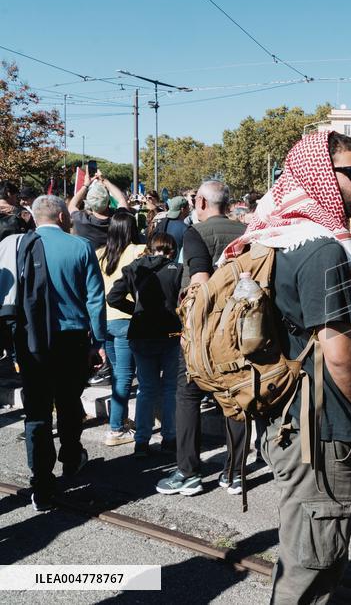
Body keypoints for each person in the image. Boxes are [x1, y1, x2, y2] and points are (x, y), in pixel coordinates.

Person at [226, 132, 351, 603]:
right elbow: (336, 346)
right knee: (312, 557)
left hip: (288, 419)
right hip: (319, 424)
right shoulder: (321, 249)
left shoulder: (274, 238)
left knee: (310, 544)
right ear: (322, 177)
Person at [157, 179, 249, 496]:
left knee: (188, 396)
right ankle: (235, 473)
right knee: (235, 398)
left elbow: (199, 282)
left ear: (200, 204)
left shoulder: (197, 233)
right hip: (241, 331)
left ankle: (189, 472)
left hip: (204, 333)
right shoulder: (246, 233)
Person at [19, 195, 107, 511]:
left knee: (37, 411)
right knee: (69, 402)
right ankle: (71, 456)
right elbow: (96, 299)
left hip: (33, 341)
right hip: (72, 338)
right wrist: (98, 341)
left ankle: (41, 482)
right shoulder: (80, 247)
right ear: (60, 217)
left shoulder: (21, 245)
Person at [107, 232, 183, 457]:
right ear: (171, 250)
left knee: (146, 389)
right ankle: (169, 438)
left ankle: (141, 441)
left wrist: (137, 311)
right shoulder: (176, 271)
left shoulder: (134, 268)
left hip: (140, 334)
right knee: (170, 388)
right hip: (170, 332)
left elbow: (113, 298)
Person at [96, 212, 145, 447]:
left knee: (117, 374)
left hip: (104, 320)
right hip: (126, 319)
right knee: (125, 376)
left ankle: (121, 420)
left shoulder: (100, 255)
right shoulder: (137, 251)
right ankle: (115, 429)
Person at [68, 172, 132, 250]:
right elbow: (122, 199)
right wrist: (105, 180)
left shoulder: (81, 221)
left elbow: (72, 205)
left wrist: (85, 185)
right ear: (108, 201)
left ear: (89, 203)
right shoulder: (119, 221)